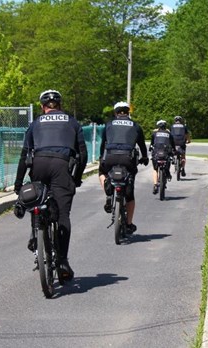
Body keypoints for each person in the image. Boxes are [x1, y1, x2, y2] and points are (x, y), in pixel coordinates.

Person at [14, 89, 88, 281]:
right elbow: (83, 153)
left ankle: (34, 234)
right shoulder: (72, 122)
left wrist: (19, 183)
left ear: (42, 106)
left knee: (36, 201)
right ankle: (62, 261)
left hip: (38, 164)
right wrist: (77, 177)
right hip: (61, 165)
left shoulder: (35, 123)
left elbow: (24, 155)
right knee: (63, 214)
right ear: (60, 105)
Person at [98, 101, 149, 233]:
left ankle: (108, 195)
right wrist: (145, 157)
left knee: (102, 173)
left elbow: (103, 144)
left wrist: (101, 158)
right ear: (128, 112)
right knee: (130, 192)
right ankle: (129, 223)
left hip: (110, 158)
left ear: (115, 113)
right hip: (128, 159)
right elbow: (142, 145)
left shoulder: (109, 125)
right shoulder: (135, 126)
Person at [150, 119, 175, 195]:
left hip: (156, 154)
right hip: (165, 154)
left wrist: (150, 148)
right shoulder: (169, 133)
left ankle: (155, 185)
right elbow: (172, 144)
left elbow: (151, 143)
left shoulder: (154, 133)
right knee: (169, 161)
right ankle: (167, 173)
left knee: (155, 169)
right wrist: (174, 150)